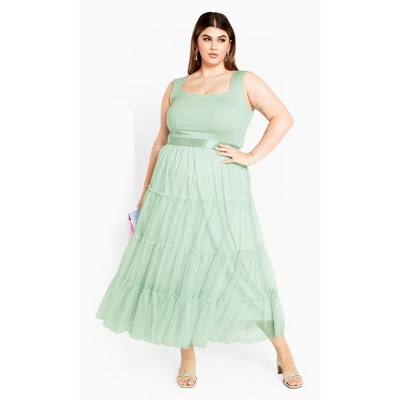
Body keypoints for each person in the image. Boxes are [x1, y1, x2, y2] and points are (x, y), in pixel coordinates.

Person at [95, 11, 303, 390]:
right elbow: (160, 142)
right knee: (179, 269)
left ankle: (283, 351)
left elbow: (282, 118)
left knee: (242, 266)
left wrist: (251, 156)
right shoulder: (176, 87)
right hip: (172, 193)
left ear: (230, 44)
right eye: (207, 38)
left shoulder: (244, 81)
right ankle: (187, 355)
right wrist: (143, 198)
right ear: (196, 43)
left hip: (222, 190)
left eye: (221, 39)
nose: (214, 45)